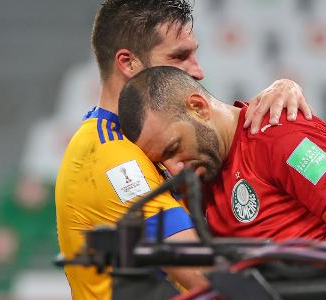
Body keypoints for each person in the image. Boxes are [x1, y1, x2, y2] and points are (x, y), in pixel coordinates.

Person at [55, 1, 312, 299]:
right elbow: (203, 274)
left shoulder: (154, 142)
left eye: (194, 53)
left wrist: (282, 89)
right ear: (128, 63)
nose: (198, 71)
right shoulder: (110, 158)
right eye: (180, 56)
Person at [118, 66, 326, 257]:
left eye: (174, 148)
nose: (175, 168)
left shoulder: (283, 139)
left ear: (198, 107)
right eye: (163, 161)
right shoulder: (203, 173)